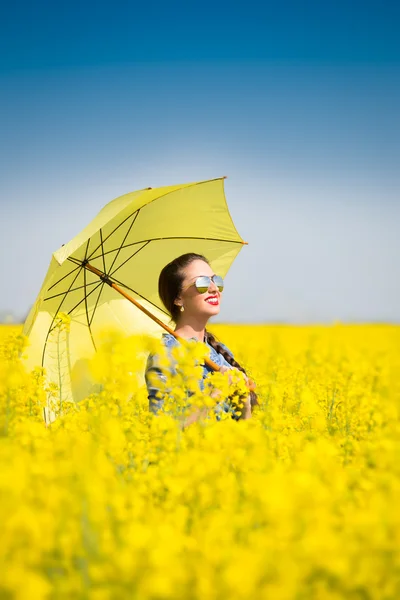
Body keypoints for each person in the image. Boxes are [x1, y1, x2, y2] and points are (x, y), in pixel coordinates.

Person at [145, 253, 257, 427]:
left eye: (215, 280)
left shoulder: (220, 352)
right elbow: (162, 431)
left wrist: (244, 402)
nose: (214, 288)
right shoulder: (166, 354)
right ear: (178, 298)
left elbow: (244, 433)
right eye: (202, 283)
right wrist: (216, 393)